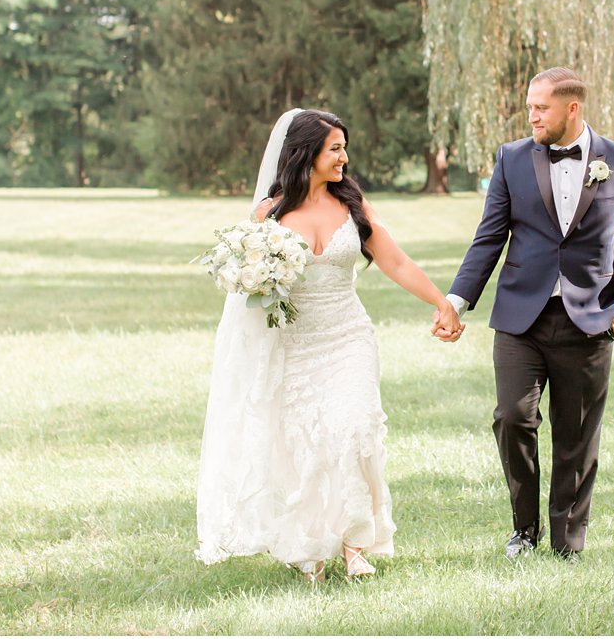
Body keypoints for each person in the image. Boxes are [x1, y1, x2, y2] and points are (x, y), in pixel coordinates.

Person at [195, 109, 463, 582]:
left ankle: (355, 544)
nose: (344, 157)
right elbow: (245, 290)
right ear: (306, 155)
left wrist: (442, 303)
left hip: (348, 337)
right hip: (295, 344)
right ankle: (311, 546)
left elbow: (394, 260)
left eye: (343, 147)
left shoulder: (353, 203)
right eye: (334, 148)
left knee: (354, 428)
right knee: (306, 444)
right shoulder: (267, 215)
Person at [442, 68, 614, 561]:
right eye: (529, 107)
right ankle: (524, 531)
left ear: (572, 108)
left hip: (592, 319)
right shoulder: (513, 158)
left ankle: (568, 542)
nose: (532, 116)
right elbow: (489, 238)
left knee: (577, 435)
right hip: (521, 316)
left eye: (541, 107)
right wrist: (456, 301)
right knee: (512, 417)